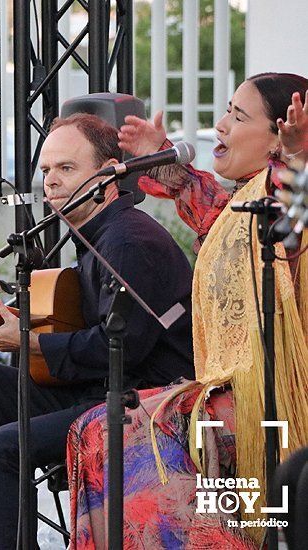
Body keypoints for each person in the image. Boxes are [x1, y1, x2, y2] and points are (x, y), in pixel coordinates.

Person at [67, 73, 308, 548]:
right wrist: (159, 157)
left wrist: (298, 157)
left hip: (271, 398)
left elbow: (294, 224)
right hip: (227, 389)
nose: (220, 126)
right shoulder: (242, 202)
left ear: (279, 135)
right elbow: (203, 203)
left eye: (238, 117)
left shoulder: (283, 196)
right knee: (93, 429)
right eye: (226, 112)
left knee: (122, 433)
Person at [0, 114, 196, 550]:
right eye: (45, 171)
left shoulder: (129, 241)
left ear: (108, 175)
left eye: (66, 169)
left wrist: (32, 342)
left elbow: (123, 348)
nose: (51, 182)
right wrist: (23, 323)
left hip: (142, 402)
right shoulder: (94, 235)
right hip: (98, 387)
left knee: (0, 449)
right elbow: (89, 323)